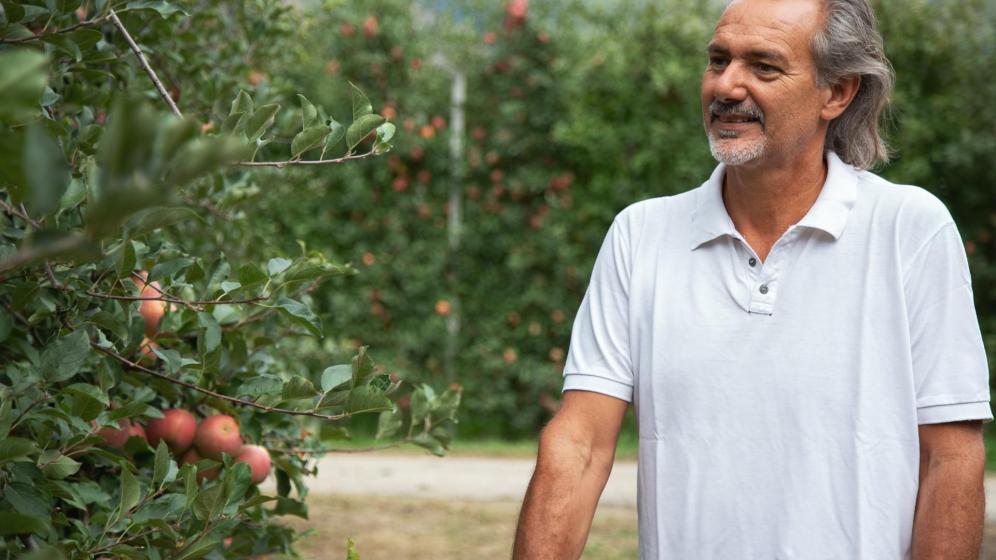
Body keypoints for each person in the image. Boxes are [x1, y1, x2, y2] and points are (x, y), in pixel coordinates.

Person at [512, 0, 992, 558]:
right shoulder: (640, 234)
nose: (728, 86)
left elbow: (950, 459)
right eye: (719, 60)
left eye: (764, 67)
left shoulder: (909, 230)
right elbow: (579, 445)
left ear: (837, 93)